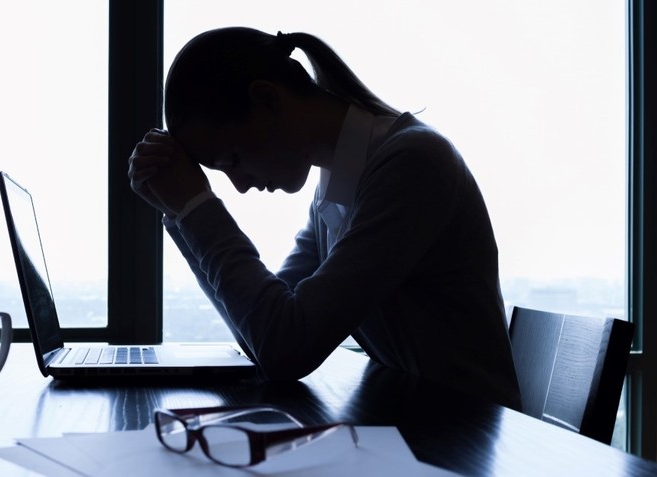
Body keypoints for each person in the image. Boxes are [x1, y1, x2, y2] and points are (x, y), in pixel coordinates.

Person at [128, 27, 521, 411]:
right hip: (421, 422)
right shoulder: (338, 186)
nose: (241, 186)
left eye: (232, 159)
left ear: (266, 100)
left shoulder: (412, 164)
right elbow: (262, 336)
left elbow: (285, 349)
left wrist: (198, 209)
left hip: (468, 435)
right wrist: (180, 213)